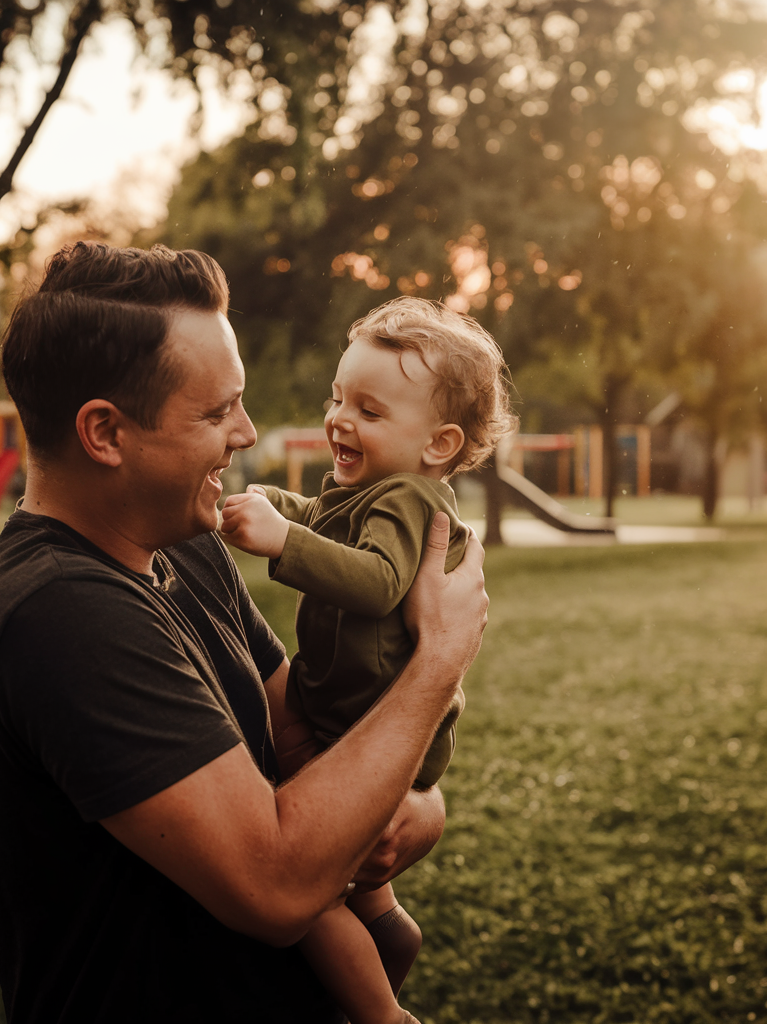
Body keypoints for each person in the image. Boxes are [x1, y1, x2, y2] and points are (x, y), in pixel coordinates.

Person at [0, 242, 490, 1024]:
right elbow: (277, 885)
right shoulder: (58, 614)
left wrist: (417, 806)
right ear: (105, 433)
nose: (247, 432)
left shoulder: (188, 542)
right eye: (215, 411)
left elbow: (300, 739)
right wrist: (437, 664)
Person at [220, 296, 514, 1023]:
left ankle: (384, 1016)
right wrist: (277, 506)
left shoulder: (410, 500)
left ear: (438, 444)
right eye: (338, 398)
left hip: (373, 729)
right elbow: (323, 521)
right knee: (359, 891)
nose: (340, 420)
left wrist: (281, 542)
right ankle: (391, 928)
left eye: (370, 412)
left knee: (315, 903)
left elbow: (380, 582)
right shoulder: (369, 489)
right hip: (351, 720)